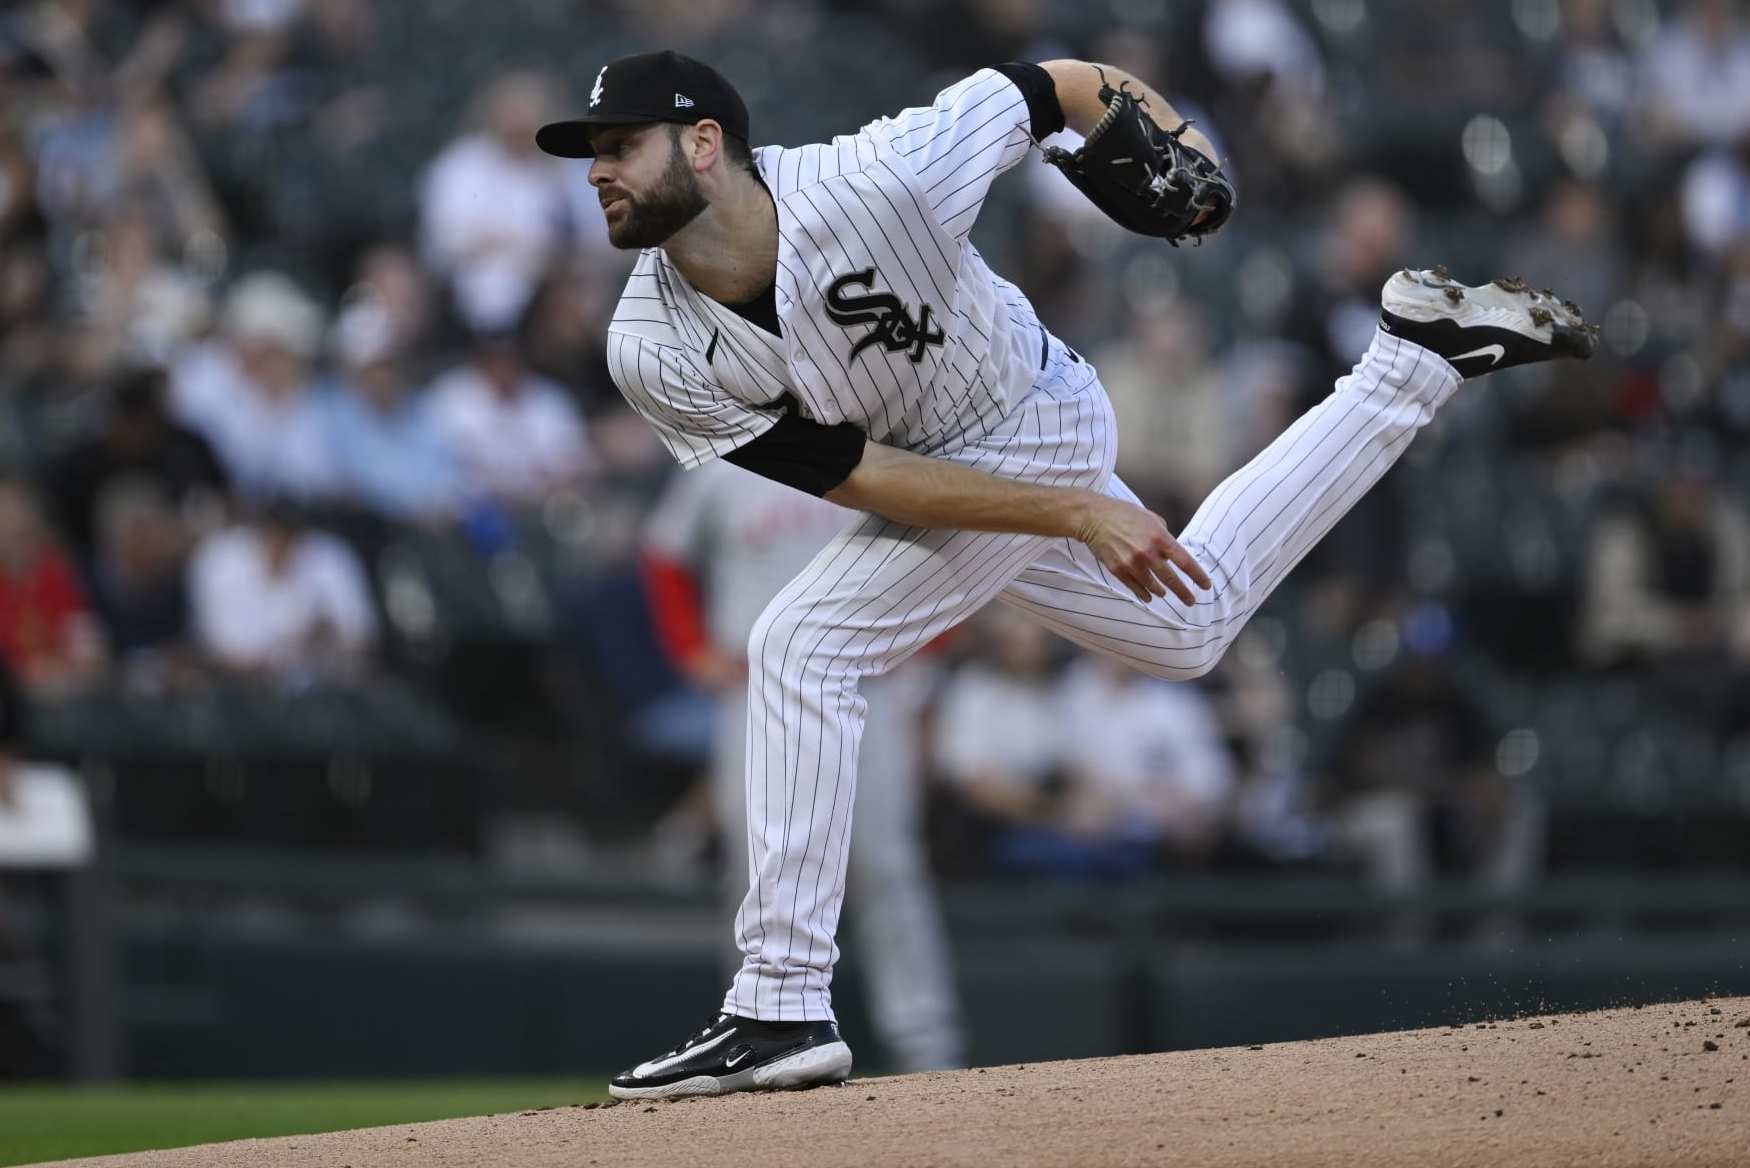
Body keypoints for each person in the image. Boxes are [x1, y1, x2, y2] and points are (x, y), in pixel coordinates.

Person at [536, 49, 1596, 1099]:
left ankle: (775, 1003)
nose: (596, 170)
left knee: (801, 641)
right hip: (965, 475)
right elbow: (860, 475)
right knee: (1193, 625)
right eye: (591, 153)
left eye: (619, 144)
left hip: (1031, 416)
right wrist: (1076, 515)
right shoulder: (649, 344)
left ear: (706, 142)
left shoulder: (880, 177)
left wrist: (1184, 144)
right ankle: (1411, 361)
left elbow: (1052, 86)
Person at [641, 459, 964, 1073]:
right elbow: (663, 554)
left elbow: (957, 540)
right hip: (755, 686)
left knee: (886, 868)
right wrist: (690, 650)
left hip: (870, 684)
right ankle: (751, 1035)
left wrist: (927, 640)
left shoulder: (873, 443)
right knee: (755, 872)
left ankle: (928, 1047)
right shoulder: (727, 458)